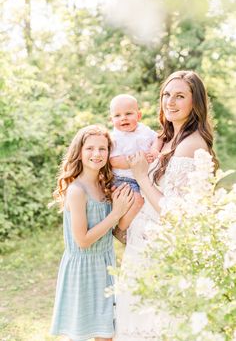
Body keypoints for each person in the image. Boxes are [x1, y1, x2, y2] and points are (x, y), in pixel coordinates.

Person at [114, 71, 219, 340]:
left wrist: (140, 175)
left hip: (162, 255)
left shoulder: (192, 146)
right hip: (141, 247)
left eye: (180, 96)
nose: (170, 102)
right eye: (166, 95)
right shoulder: (164, 138)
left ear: (195, 103)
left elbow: (176, 213)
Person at [50, 125, 134, 341]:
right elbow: (83, 240)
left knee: (107, 334)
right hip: (83, 269)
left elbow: (111, 230)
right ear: (79, 151)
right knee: (81, 333)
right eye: (90, 148)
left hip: (105, 264)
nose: (97, 154)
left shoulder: (104, 184)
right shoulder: (77, 191)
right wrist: (116, 213)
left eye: (103, 149)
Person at [109, 94, 162, 243]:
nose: (123, 118)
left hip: (141, 177)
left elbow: (158, 138)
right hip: (123, 179)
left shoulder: (144, 130)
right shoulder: (114, 138)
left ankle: (140, 231)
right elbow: (113, 161)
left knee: (150, 203)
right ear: (111, 120)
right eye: (117, 115)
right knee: (138, 201)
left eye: (128, 114)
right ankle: (120, 230)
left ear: (138, 115)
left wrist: (153, 150)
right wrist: (137, 160)